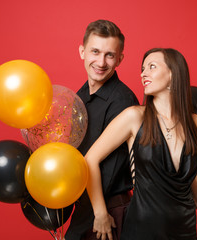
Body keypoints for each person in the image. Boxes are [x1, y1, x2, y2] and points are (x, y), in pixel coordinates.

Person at [84, 48, 197, 240]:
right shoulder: (134, 117)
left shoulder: (195, 123)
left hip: (184, 230)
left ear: (173, 73)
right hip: (142, 229)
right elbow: (90, 160)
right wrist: (100, 213)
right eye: (143, 68)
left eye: (151, 67)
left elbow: (196, 181)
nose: (143, 73)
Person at [64, 20, 139, 240]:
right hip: (86, 207)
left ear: (119, 59)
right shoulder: (80, 96)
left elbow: (109, 172)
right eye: (95, 52)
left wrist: (98, 213)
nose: (101, 62)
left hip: (107, 212)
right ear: (82, 52)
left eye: (109, 55)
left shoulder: (122, 101)